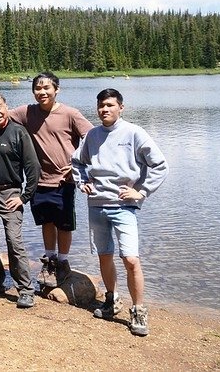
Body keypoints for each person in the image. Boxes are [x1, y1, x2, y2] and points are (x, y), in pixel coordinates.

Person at [72, 88, 169, 337]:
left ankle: (138, 310)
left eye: (110, 105)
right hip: (97, 205)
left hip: (124, 207)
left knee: (131, 259)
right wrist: (82, 182)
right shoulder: (92, 135)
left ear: (121, 107)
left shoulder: (134, 133)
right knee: (104, 256)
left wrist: (142, 192)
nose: (104, 110)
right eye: (101, 106)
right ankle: (112, 300)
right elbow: (78, 162)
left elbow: (160, 165)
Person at [8, 72, 93, 287]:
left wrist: (77, 163)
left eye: (47, 88)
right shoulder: (27, 112)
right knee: (46, 221)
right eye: (38, 88)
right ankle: (50, 259)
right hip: (38, 180)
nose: (42, 92)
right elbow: (0, 116)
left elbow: (92, 137)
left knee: (64, 224)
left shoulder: (70, 113)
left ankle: (63, 261)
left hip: (64, 181)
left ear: (57, 90)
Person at [0, 93, 40, 308]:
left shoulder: (18, 132)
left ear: (6, 106)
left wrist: (24, 197)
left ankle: (25, 290)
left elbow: (33, 168)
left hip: (10, 194)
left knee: (14, 241)